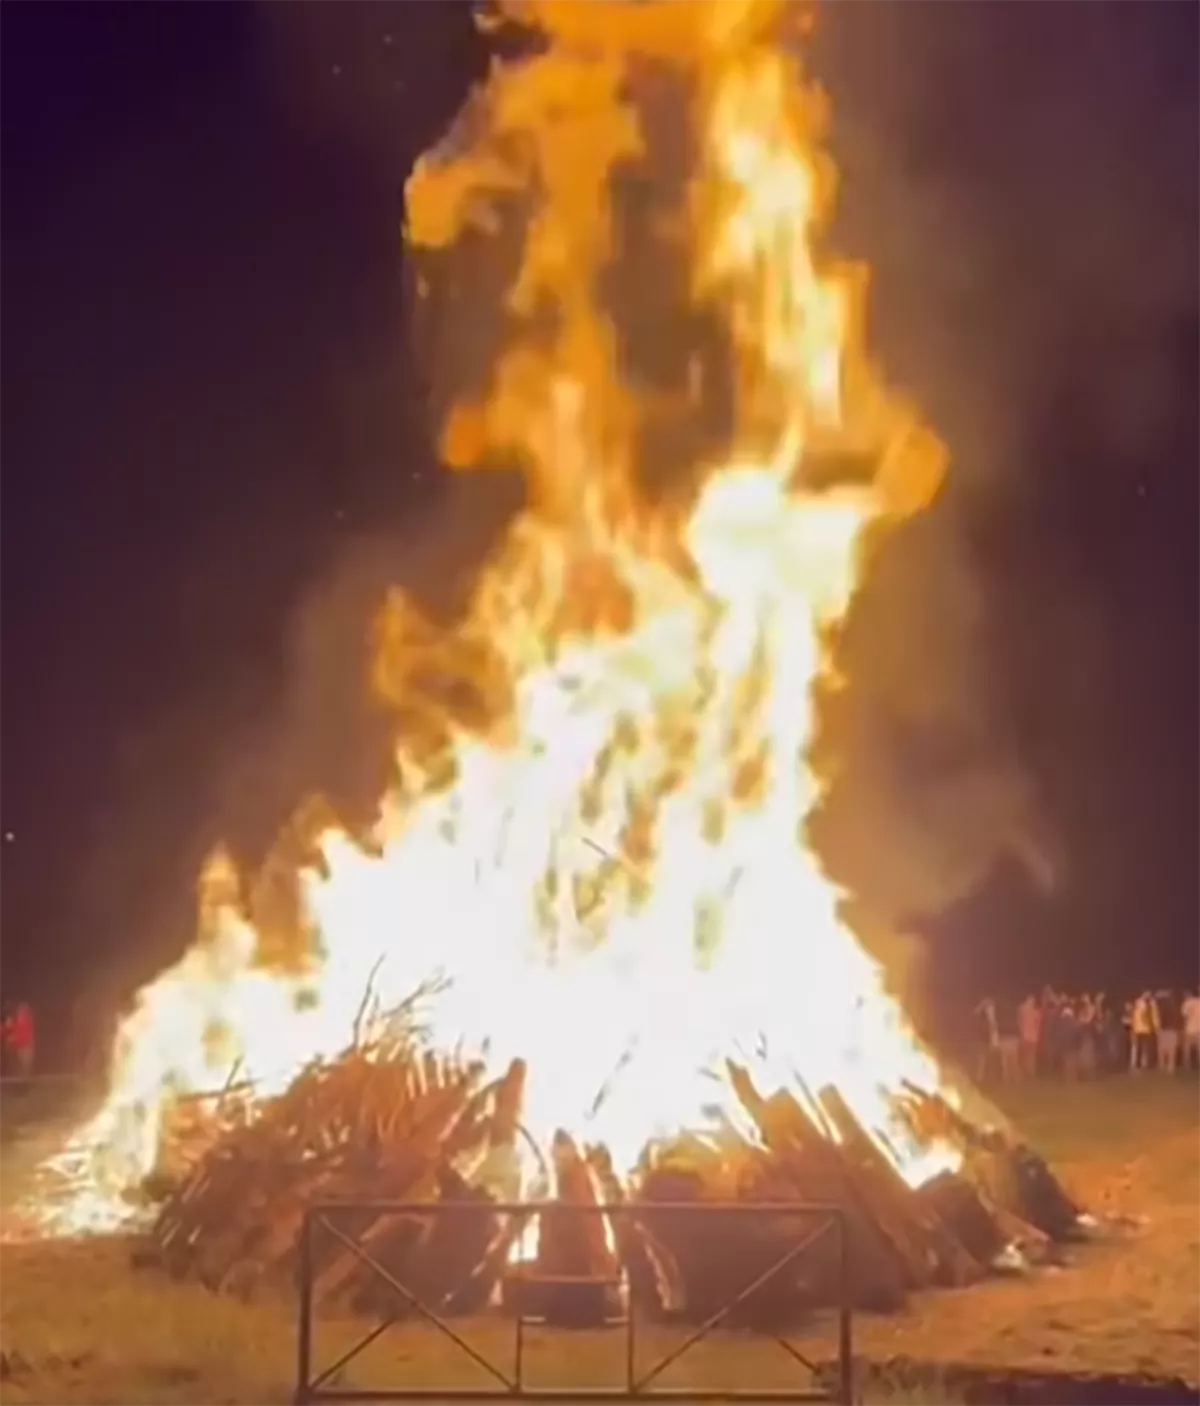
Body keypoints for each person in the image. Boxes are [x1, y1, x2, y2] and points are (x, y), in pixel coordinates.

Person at [1130, 990, 1158, 1072]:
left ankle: (1141, 1064)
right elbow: (1146, 1016)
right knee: (1141, 1047)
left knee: (1143, 1048)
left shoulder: (1145, 1004)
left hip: (1142, 1029)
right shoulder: (1144, 1004)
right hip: (1143, 1029)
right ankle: (1139, 1064)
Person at [7, 1000, 34, 1078]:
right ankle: (22, 1079)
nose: (19, 1013)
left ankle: (25, 1080)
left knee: (25, 1065)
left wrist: (14, 1037)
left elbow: (23, 1034)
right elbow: (16, 1029)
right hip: (21, 1046)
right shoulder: (20, 1021)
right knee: (22, 1065)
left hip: (26, 1046)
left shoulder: (26, 1021)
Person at [1017, 993, 1041, 1080]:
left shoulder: (1023, 1010)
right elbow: (1038, 1025)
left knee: (1023, 1059)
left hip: (1025, 1038)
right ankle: (1030, 1076)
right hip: (1033, 1038)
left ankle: (1027, 1076)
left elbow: (1019, 1020)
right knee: (1030, 1059)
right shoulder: (1036, 1012)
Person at [1157, 989, 1182, 1073]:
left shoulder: (1161, 1006)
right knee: (1171, 1049)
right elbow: (1179, 1018)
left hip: (1164, 1029)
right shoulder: (1176, 1006)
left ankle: (1162, 1065)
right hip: (1172, 1029)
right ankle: (1170, 1066)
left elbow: (1158, 1018)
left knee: (1162, 1049)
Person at [1183, 987, 1200, 1070]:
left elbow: (1184, 1015)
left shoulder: (1187, 1002)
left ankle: (1187, 1066)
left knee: (1187, 1049)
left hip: (1189, 1029)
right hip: (1199, 1029)